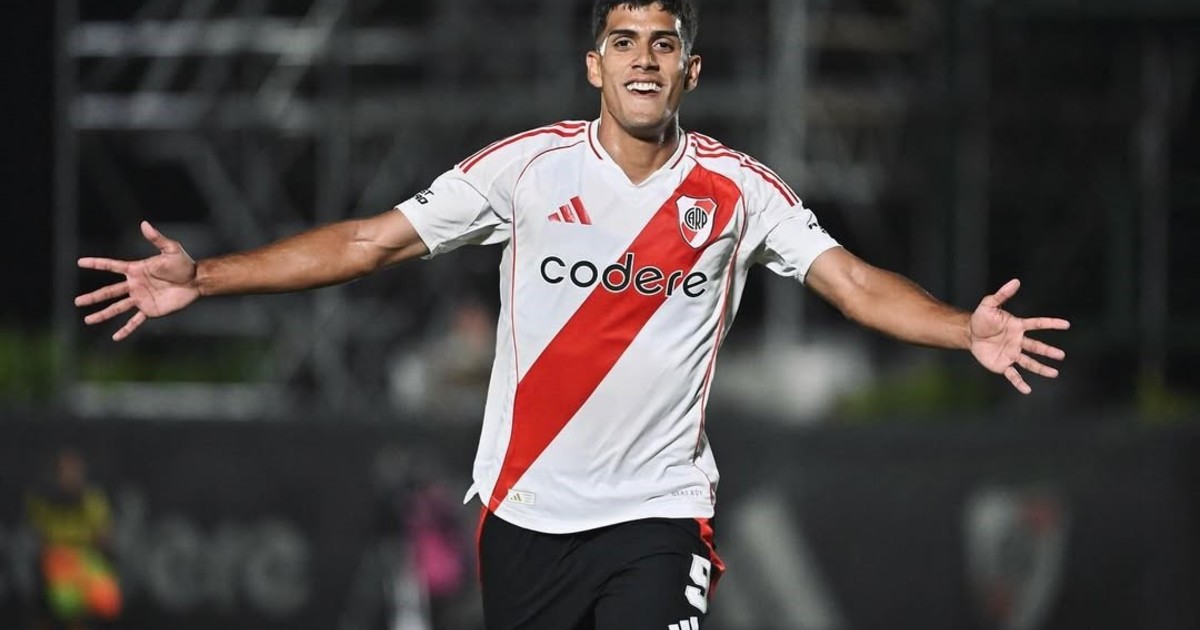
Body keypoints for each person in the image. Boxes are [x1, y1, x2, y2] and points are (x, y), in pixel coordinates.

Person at [74, 1, 1070, 628]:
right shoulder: (528, 170)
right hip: (526, 517)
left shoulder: (736, 190)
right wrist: (207, 279)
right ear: (593, 64)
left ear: (690, 71)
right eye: (623, 41)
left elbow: (850, 283)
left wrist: (962, 328)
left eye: (664, 44)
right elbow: (368, 242)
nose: (644, 60)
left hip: (658, 516)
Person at [25, 449, 122, 630]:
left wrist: (102, 552)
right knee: (64, 602)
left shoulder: (93, 500)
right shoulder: (42, 501)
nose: (71, 476)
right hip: (57, 561)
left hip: (88, 561)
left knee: (107, 601)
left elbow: (105, 539)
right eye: (65, 471)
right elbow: (36, 539)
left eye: (75, 471)